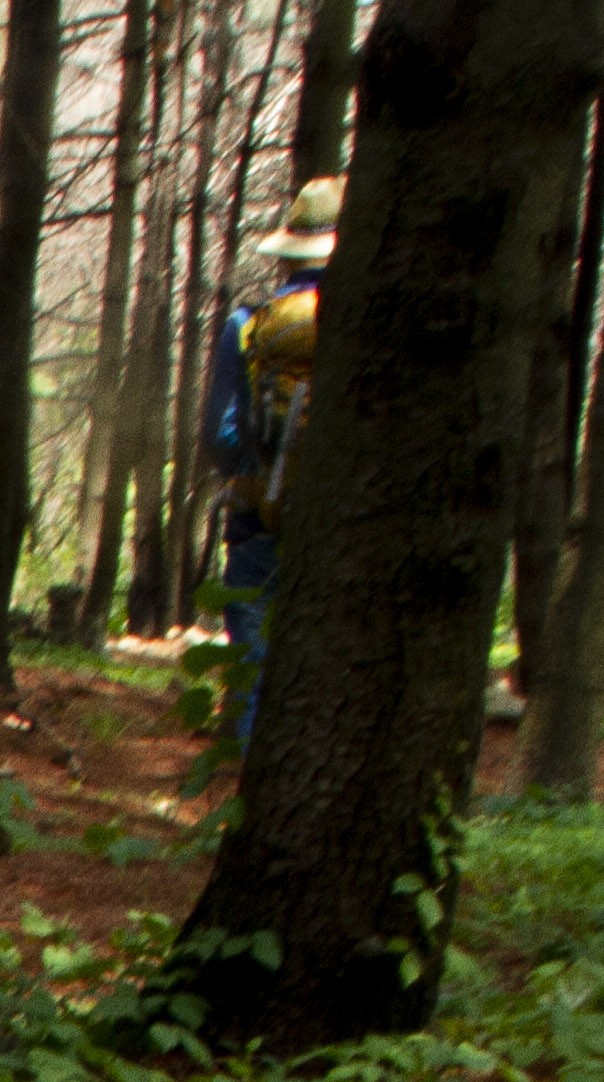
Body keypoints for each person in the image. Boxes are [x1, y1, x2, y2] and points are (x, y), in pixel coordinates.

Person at [206, 175, 335, 749]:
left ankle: (233, 797)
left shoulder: (247, 326)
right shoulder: (369, 331)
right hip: (338, 531)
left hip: (258, 522)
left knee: (250, 670)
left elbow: (221, 435)